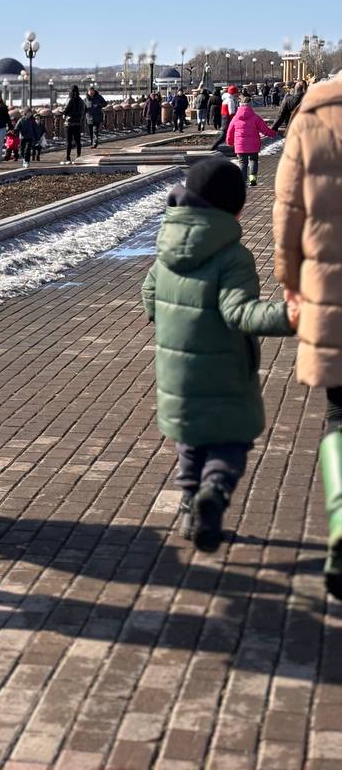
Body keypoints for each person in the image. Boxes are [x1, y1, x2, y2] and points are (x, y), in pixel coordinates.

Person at [142, 159, 298, 552]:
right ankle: (214, 493)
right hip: (225, 372)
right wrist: (291, 315)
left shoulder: (167, 247)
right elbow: (240, 313)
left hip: (176, 374)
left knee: (190, 445)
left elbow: (149, 298)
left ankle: (190, 512)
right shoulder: (232, 256)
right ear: (235, 208)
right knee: (230, 443)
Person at [273, 80, 342, 596]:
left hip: (330, 286)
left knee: (339, 415)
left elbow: (287, 209)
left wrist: (290, 282)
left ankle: (341, 523)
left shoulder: (314, 113)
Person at [226, 94, 276, 186]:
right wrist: (273, 133)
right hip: (253, 145)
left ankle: (243, 180)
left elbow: (230, 131)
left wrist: (229, 142)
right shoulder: (255, 117)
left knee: (242, 162)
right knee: (253, 160)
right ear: (250, 105)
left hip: (240, 145)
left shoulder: (235, 118)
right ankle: (252, 177)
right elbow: (264, 129)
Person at [63, 85, 85, 162]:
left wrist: (63, 113)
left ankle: (68, 157)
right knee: (78, 141)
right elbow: (83, 111)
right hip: (78, 123)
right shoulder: (81, 100)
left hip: (69, 123)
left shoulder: (70, 100)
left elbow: (66, 110)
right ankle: (78, 156)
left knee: (68, 141)